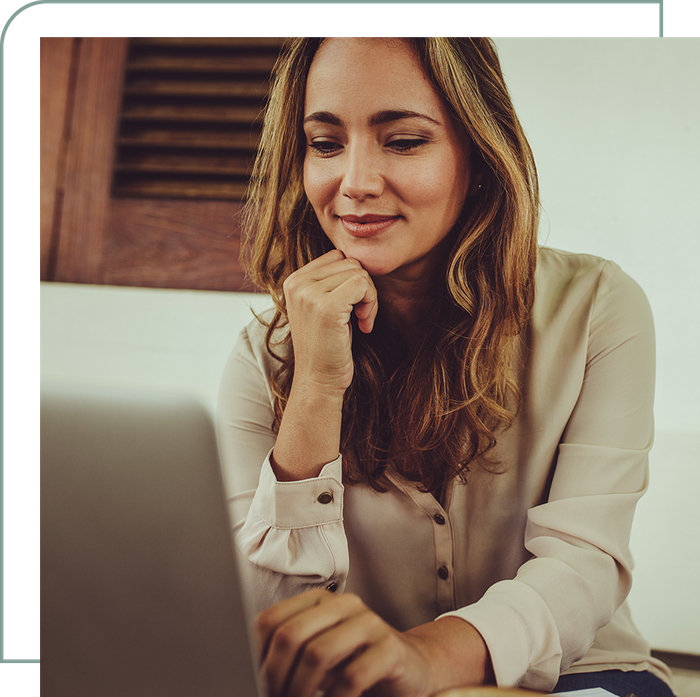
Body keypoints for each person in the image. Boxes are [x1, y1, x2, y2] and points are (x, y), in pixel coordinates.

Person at [217, 36, 676, 697]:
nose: (354, 183)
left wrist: (424, 659)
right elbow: (268, 621)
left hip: (577, 677)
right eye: (325, 143)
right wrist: (316, 386)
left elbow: (583, 565)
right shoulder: (264, 355)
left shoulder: (598, 308)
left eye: (402, 141)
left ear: (480, 150)